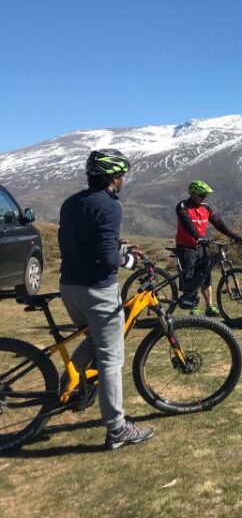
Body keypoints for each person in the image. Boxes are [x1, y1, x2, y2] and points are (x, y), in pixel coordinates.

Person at [58, 148, 155, 450]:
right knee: (112, 358)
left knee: (91, 339)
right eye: (122, 173)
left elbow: (81, 240)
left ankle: (69, 385)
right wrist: (129, 261)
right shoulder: (111, 206)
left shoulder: (72, 202)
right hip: (97, 289)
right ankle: (117, 429)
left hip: (69, 286)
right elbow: (104, 258)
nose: (123, 178)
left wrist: (118, 244)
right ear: (114, 176)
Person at [175, 180, 242, 315]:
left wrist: (233, 235)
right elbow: (187, 224)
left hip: (201, 247)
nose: (204, 198)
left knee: (205, 277)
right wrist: (198, 237)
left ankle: (210, 307)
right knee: (190, 278)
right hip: (186, 247)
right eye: (201, 195)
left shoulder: (206, 208)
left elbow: (218, 223)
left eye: (205, 195)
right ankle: (193, 306)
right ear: (193, 194)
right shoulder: (182, 206)